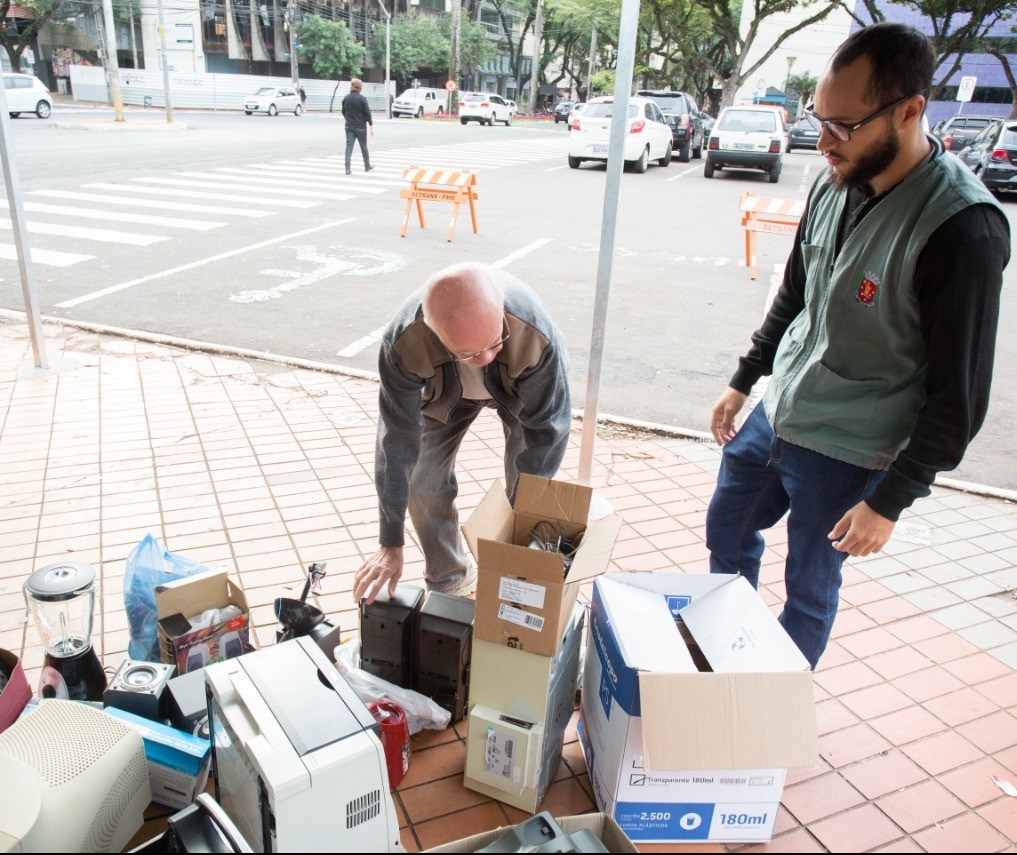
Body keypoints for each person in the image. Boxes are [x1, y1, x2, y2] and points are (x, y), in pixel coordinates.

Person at [706, 22, 1010, 669]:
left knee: (808, 588)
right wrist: (743, 378)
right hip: (780, 409)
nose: (821, 143)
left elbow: (957, 403)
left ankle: (764, 715)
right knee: (726, 529)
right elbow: (794, 295)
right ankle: (721, 653)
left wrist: (888, 500)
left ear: (908, 111)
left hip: (850, 449)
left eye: (842, 127)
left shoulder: (962, 230)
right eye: (818, 120)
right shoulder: (830, 179)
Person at [353, 263, 572, 605]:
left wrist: (522, 532)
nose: (485, 359)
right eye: (469, 353)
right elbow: (396, 441)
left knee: (526, 486)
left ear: (501, 310)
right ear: (433, 332)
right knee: (422, 482)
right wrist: (390, 541)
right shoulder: (404, 343)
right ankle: (450, 578)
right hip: (443, 395)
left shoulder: (533, 334)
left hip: (519, 394)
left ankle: (516, 570)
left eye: (495, 342)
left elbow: (548, 431)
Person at [341, 78, 374, 175]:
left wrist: (348, 119)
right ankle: (367, 166)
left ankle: (347, 168)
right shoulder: (362, 99)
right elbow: (367, 113)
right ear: (360, 87)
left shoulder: (346, 98)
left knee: (349, 146)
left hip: (349, 126)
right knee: (363, 147)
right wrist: (371, 125)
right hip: (361, 127)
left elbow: (343, 111)